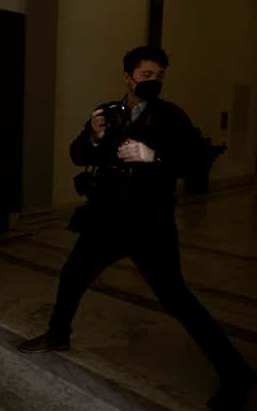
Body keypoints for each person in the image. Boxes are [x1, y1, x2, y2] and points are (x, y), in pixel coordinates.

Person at [17, 46, 256, 411]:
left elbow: (197, 163)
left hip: (150, 225)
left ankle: (236, 373)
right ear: (128, 77)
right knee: (72, 276)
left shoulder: (171, 116)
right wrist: (94, 137)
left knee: (177, 299)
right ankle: (57, 335)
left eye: (159, 76)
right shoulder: (109, 113)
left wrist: (153, 156)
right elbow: (79, 155)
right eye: (146, 76)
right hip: (106, 221)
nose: (154, 82)